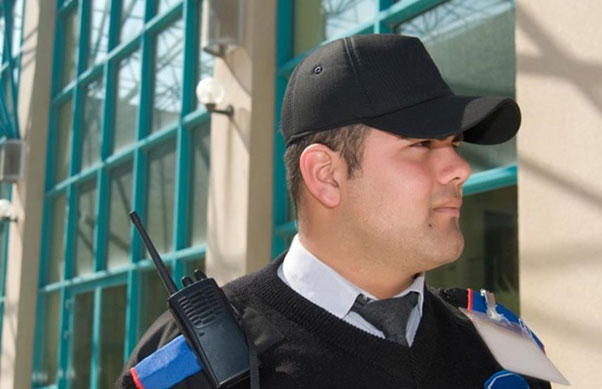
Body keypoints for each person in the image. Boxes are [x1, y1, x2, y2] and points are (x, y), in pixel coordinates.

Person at [115, 34, 551, 388]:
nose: (460, 168)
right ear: (327, 175)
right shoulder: (194, 366)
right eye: (422, 144)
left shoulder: (497, 349)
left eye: (454, 145)